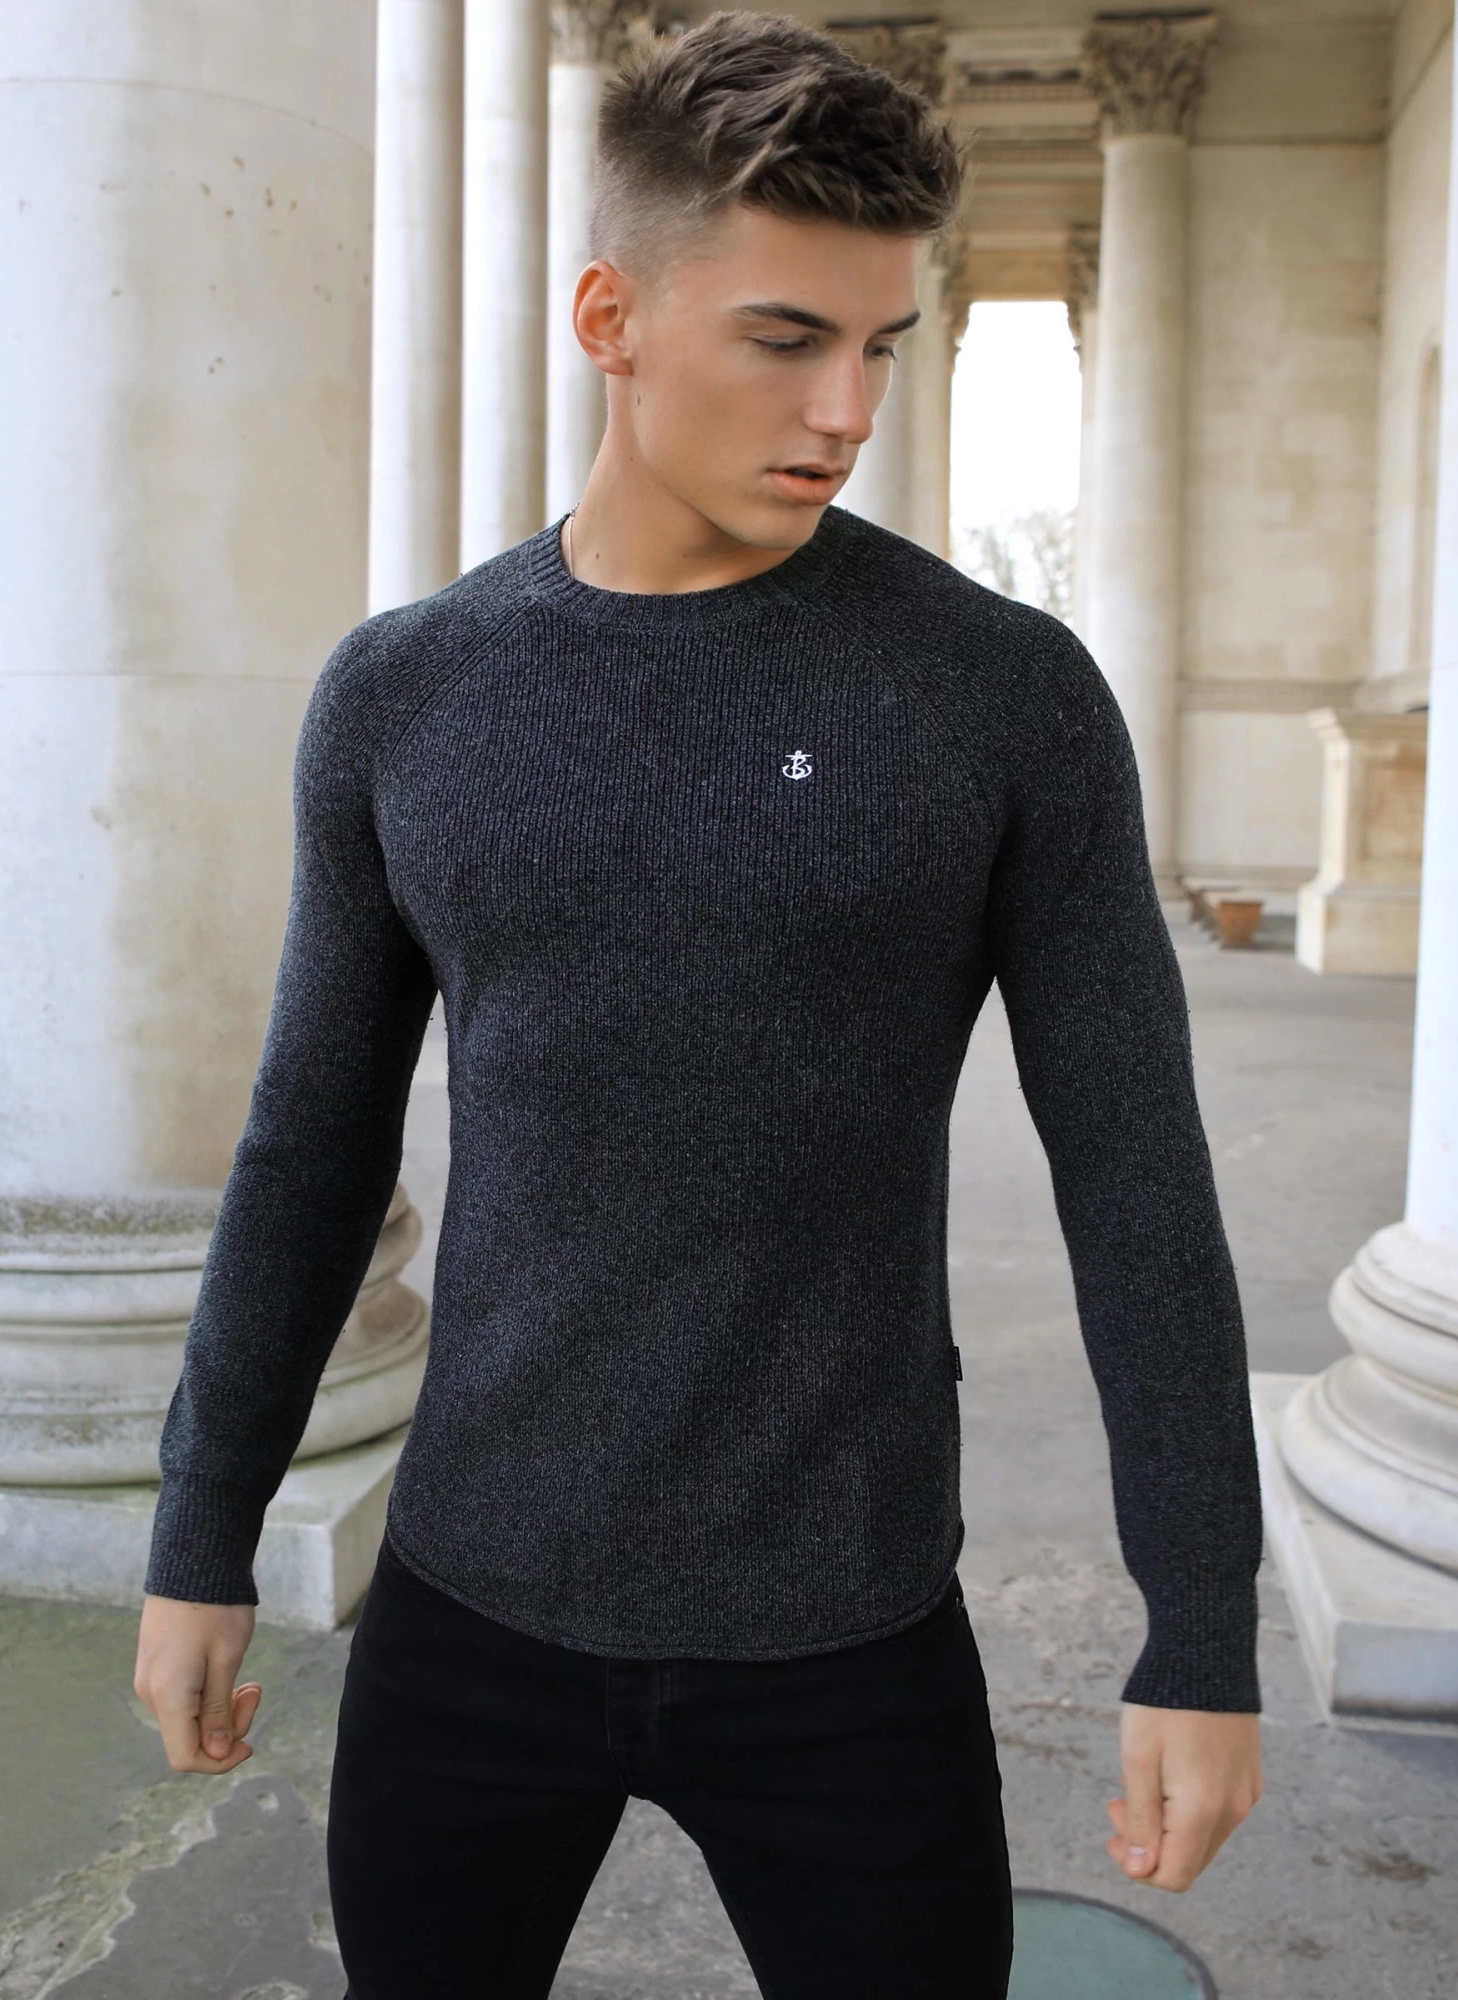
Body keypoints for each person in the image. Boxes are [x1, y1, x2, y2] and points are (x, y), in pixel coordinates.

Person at [133, 11, 1265, 1996]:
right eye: (785, 338)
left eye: (882, 345)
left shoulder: (1003, 698)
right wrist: (201, 1528)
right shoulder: (408, 695)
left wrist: (1201, 1627)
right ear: (612, 318)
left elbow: (1138, 1181)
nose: (846, 407)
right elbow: (311, 1145)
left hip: (848, 1634)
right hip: (469, 1611)